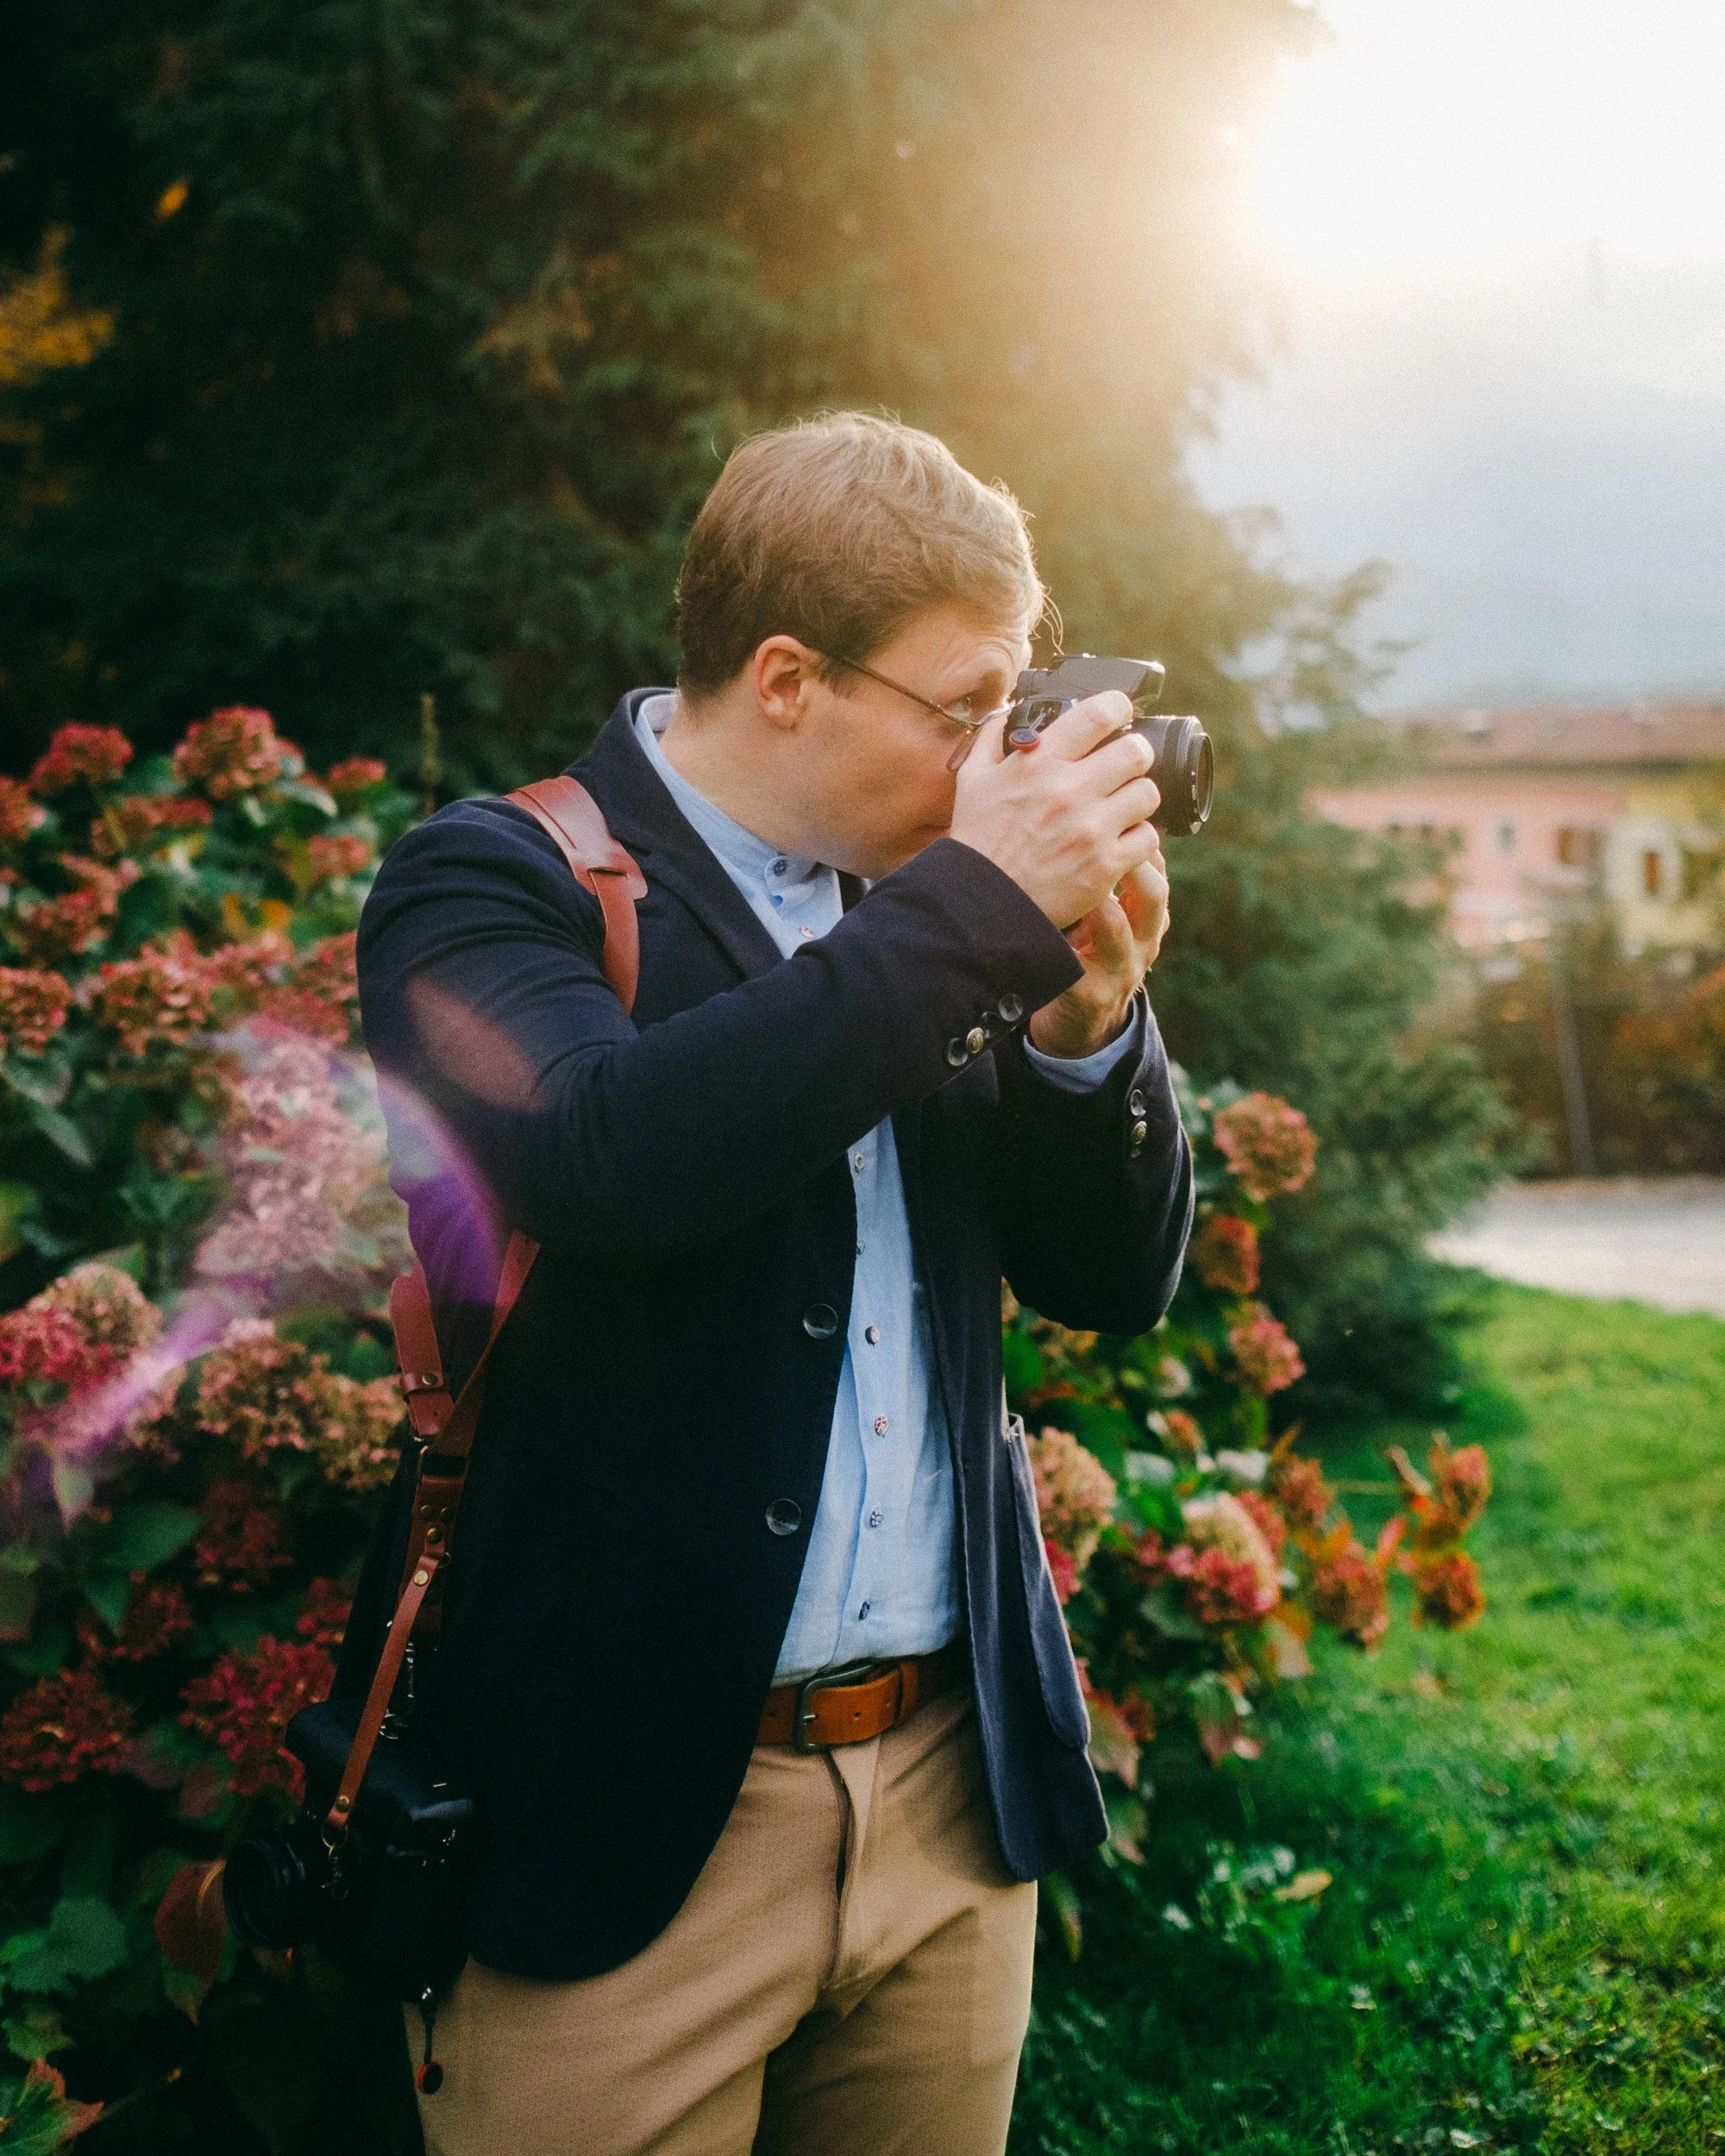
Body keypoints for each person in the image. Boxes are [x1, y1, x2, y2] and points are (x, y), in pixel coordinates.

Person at [340, 411, 1195, 2156]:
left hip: (948, 1800)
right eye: (967, 706)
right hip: (625, 1817)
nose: (997, 758)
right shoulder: (488, 880)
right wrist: (975, 909)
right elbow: (605, 1157)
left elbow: (1112, 1283)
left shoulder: (932, 909)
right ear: (789, 676)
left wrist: (1088, 1023)